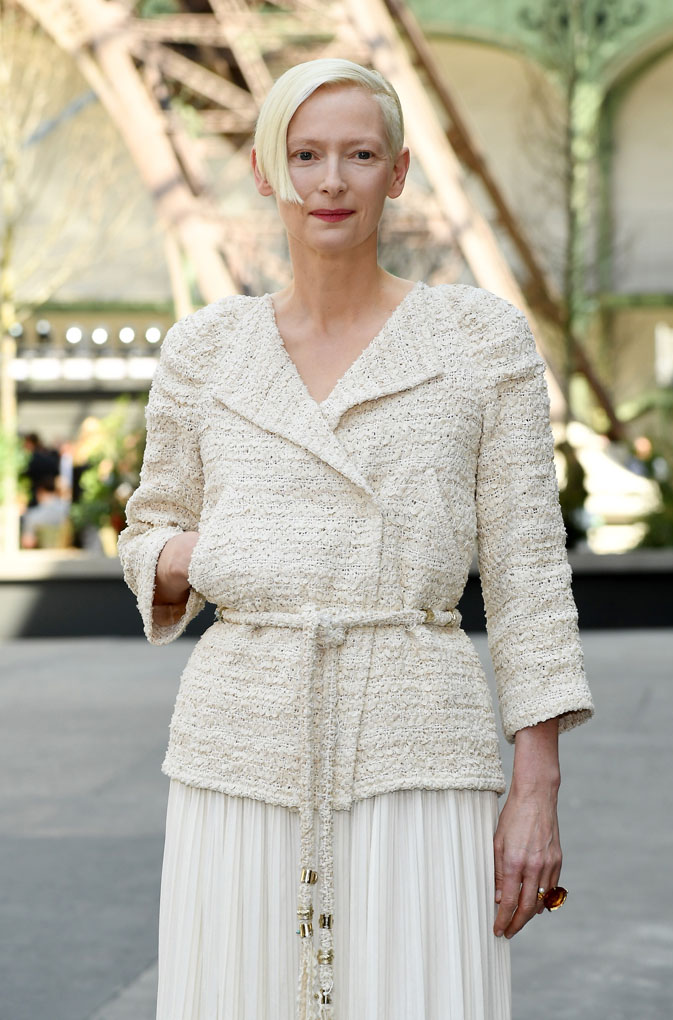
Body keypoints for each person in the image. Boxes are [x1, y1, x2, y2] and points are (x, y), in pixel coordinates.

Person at [118, 58, 594, 1020]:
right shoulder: (204, 349)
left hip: (419, 738)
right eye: (305, 155)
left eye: (359, 154)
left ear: (401, 171)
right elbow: (149, 531)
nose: (330, 181)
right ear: (265, 172)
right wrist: (204, 558)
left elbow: (529, 574)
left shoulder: (479, 341)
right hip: (236, 745)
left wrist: (535, 786)